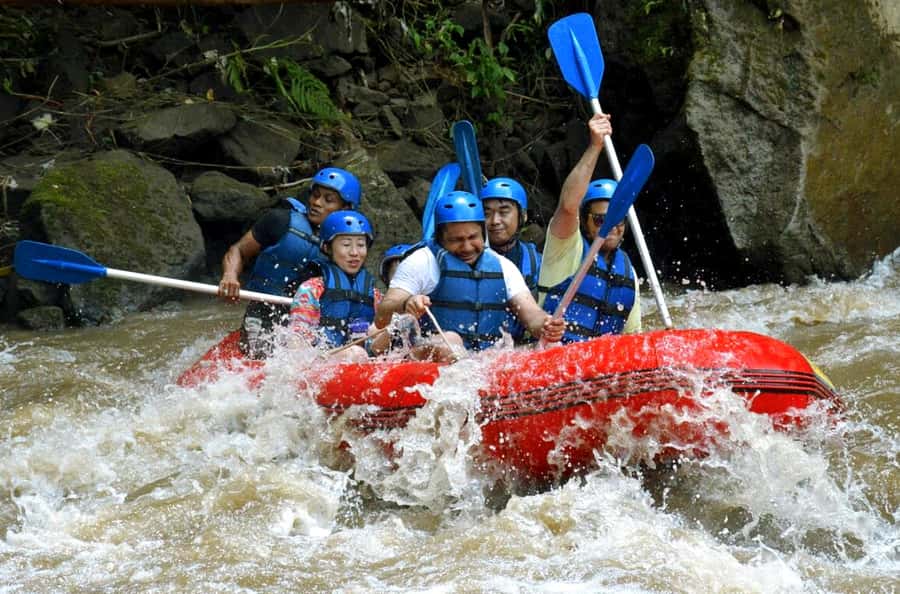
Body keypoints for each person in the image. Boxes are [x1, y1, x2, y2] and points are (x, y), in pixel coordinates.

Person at [375, 191, 564, 362]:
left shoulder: (502, 266)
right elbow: (382, 317)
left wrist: (546, 325)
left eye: (473, 237)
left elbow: (532, 316)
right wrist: (406, 303)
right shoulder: (421, 261)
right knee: (451, 341)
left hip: (484, 361)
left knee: (551, 344)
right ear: (440, 238)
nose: (466, 247)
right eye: (456, 240)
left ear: (483, 233)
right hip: (429, 356)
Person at [217, 167, 362, 357]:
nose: (316, 203)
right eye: (315, 195)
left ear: (346, 208)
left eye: (328, 200)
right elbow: (238, 251)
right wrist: (230, 275)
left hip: (309, 321)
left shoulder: (347, 244)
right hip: (265, 312)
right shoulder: (280, 220)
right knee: (264, 358)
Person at [537, 113, 642, 343]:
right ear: (585, 222)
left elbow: (632, 338)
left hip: (598, 371)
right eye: (600, 220)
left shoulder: (628, 272)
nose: (611, 227)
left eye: (618, 220)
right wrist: (595, 146)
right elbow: (567, 206)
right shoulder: (566, 247)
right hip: (553, 358)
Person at [289, 210, 379, 361]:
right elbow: (297, 338)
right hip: (323, 360)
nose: (355, 252)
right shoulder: (312, 289)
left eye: (361, 245)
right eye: (346, 244)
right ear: (327, 248)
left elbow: (378, 342)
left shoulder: (374, 294)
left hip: (363, 360)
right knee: (356, 353)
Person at [479, 177, 542, 342]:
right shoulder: (466, 256)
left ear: (523, 216)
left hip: (518, 349)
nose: (494, 221)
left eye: (504, 212)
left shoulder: (536, 261)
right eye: (486, 213)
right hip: (477, 350)